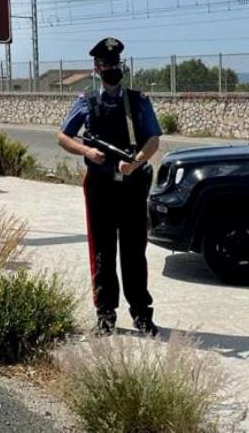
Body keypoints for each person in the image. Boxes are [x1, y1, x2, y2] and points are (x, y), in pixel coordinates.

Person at [57, 37, 162, 336]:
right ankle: (105, 313)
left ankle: (141, 313)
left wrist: (136, 162)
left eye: (116, 65)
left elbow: (153, 139)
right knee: (102, 250)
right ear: (96, 68)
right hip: (100, 185)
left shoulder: (138, 100)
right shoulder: (85, 101)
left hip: (131, 183)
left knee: (134, 250)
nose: (112, 69)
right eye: (106, 65)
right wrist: (88, 152)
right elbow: (63, 137)